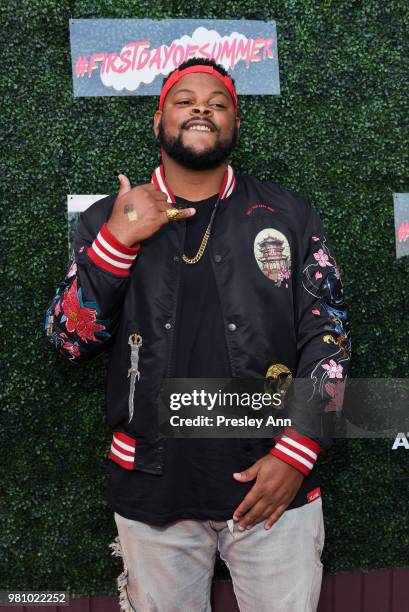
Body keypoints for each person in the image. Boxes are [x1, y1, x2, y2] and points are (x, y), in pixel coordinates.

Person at [45, 58, 351, 612]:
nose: (202, 107)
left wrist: (298, 451)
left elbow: (328, 334)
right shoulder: (107, 217)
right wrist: (117, 241)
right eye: (185, 100)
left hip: (274, 483)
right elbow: (69, 340)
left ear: (234, 124)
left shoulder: (289, 214)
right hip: (153, 488)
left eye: (218, 101)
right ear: (159, 119)